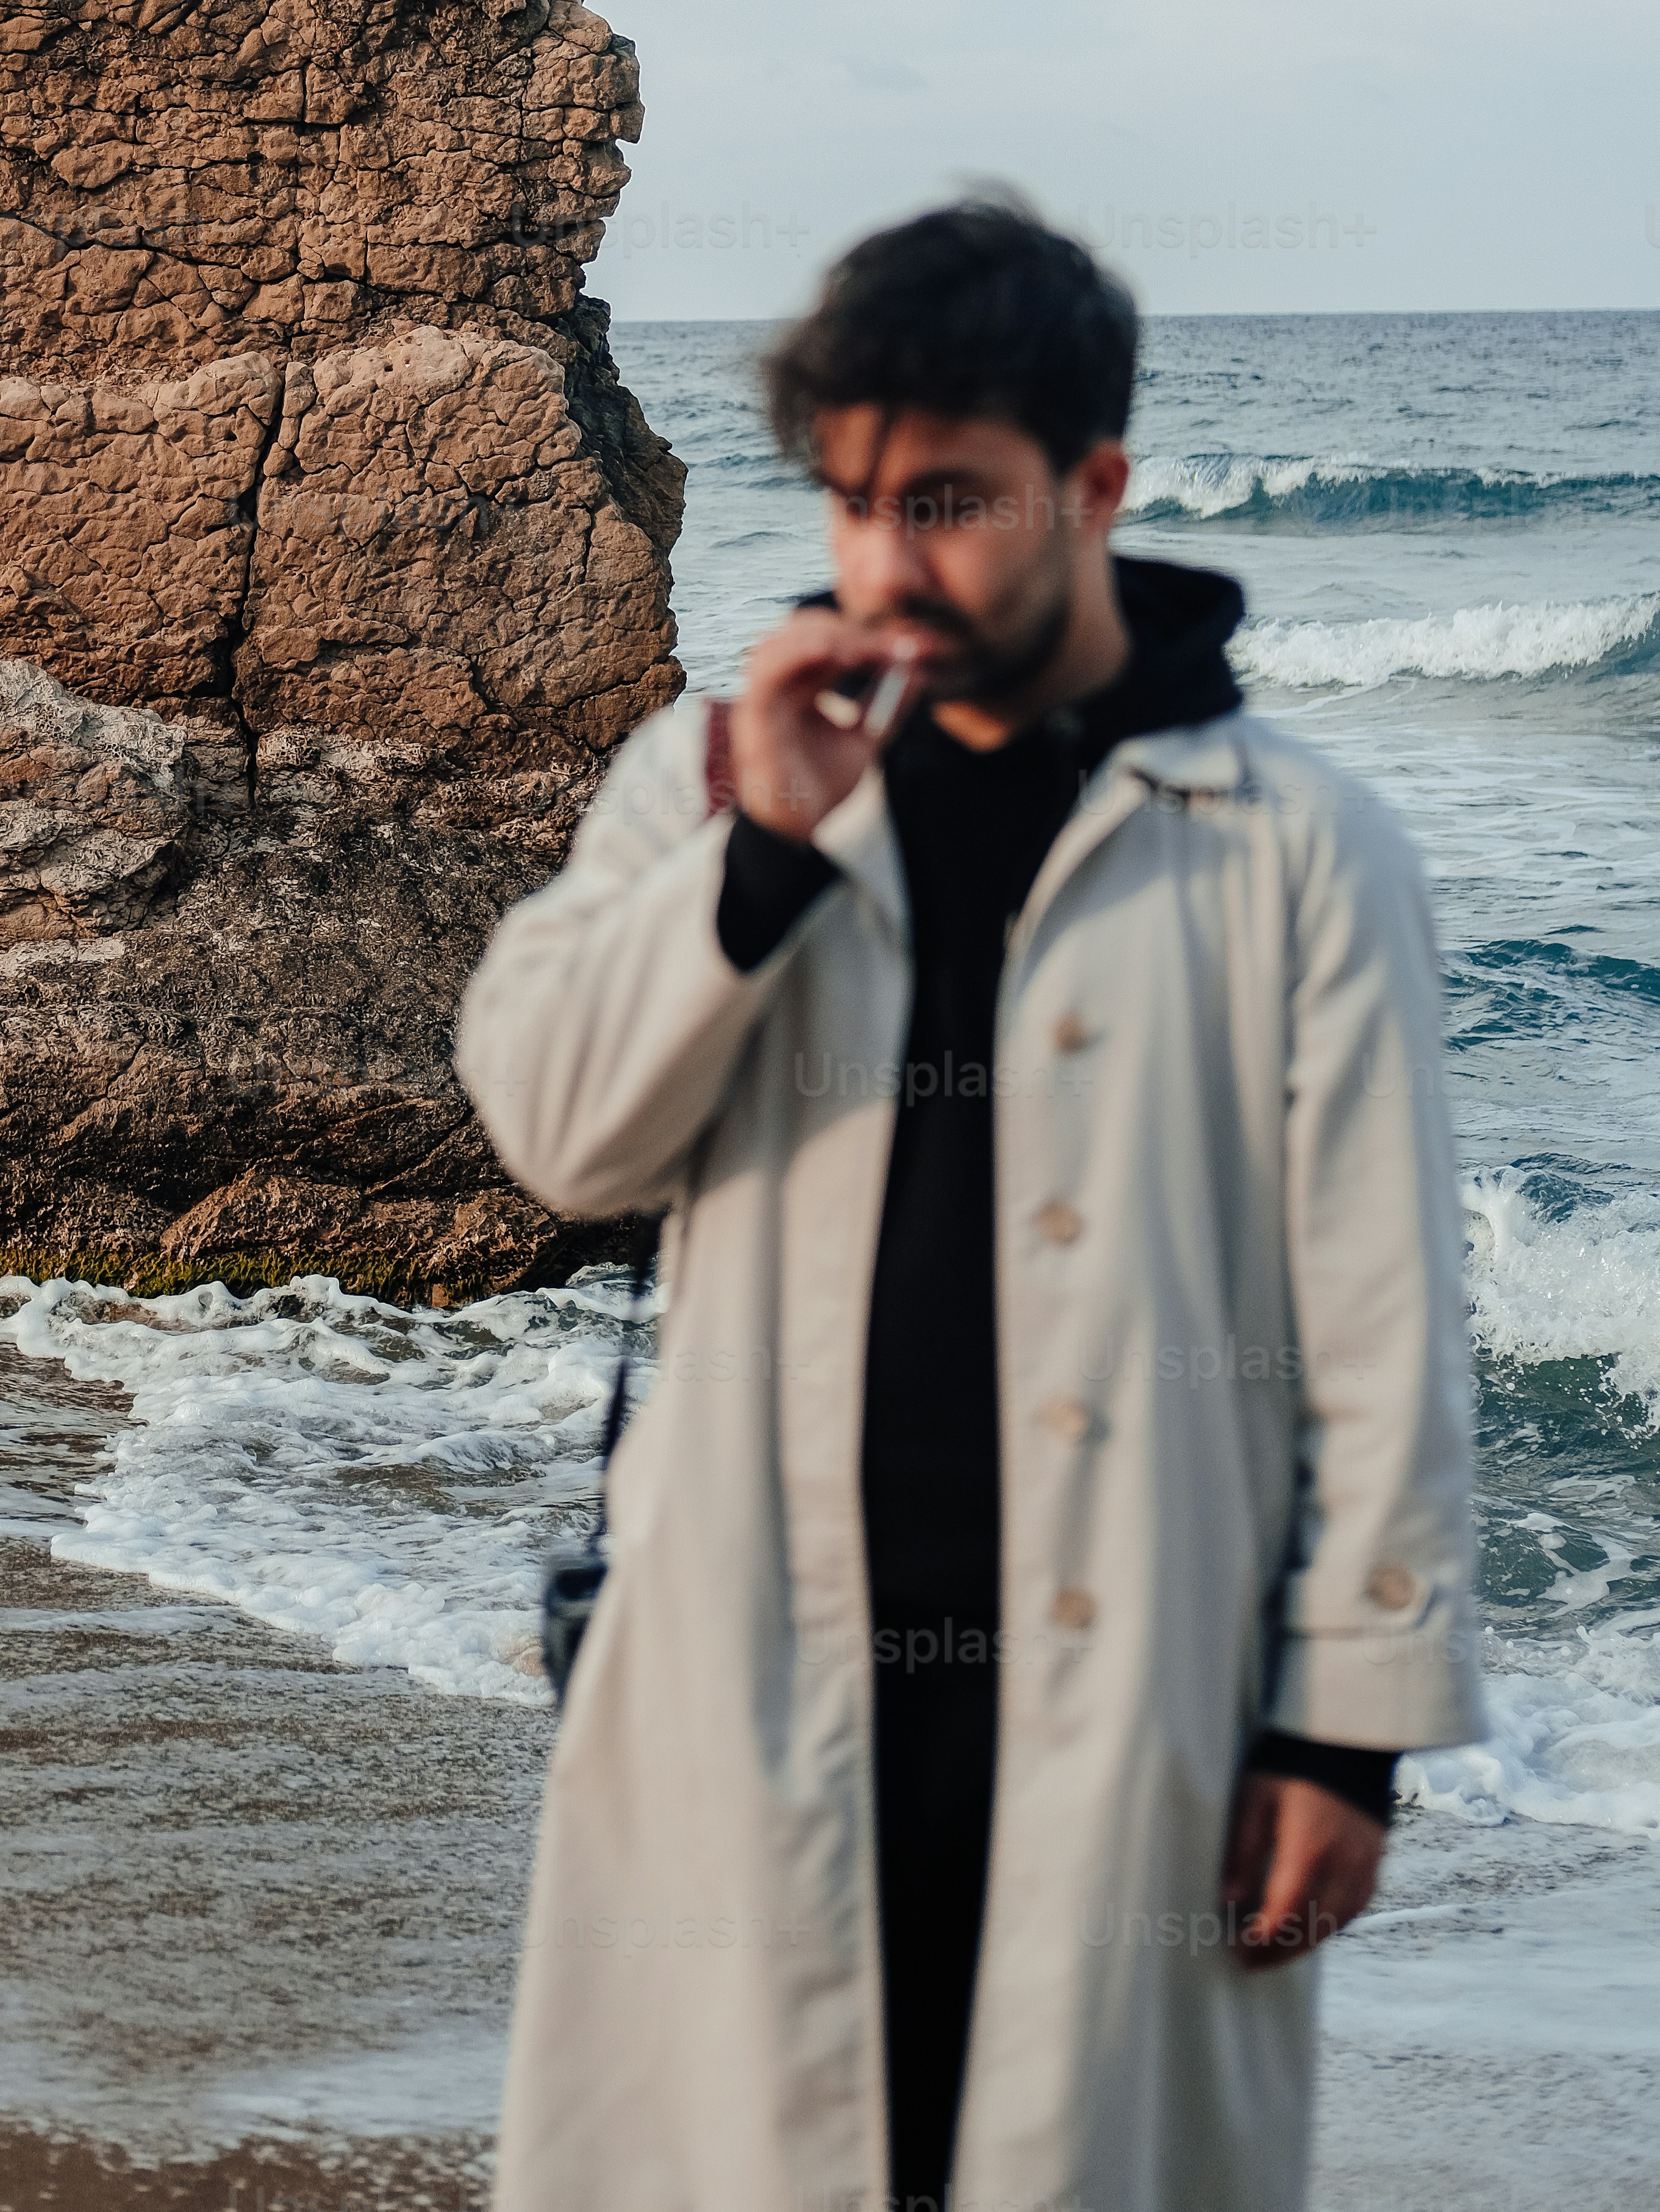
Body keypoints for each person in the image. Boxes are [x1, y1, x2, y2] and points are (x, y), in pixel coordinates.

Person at [456, 200, 1481, 2212]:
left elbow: (1382, 1329)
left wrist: (1345, 1738)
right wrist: (762, 865)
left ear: (1093, 486)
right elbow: (558, 1137)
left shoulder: (1297, 851)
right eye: (849, 503)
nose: (883, 565)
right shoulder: (718, 776)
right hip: (759, 1661)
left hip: (1133, 1701)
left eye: (947, 501)